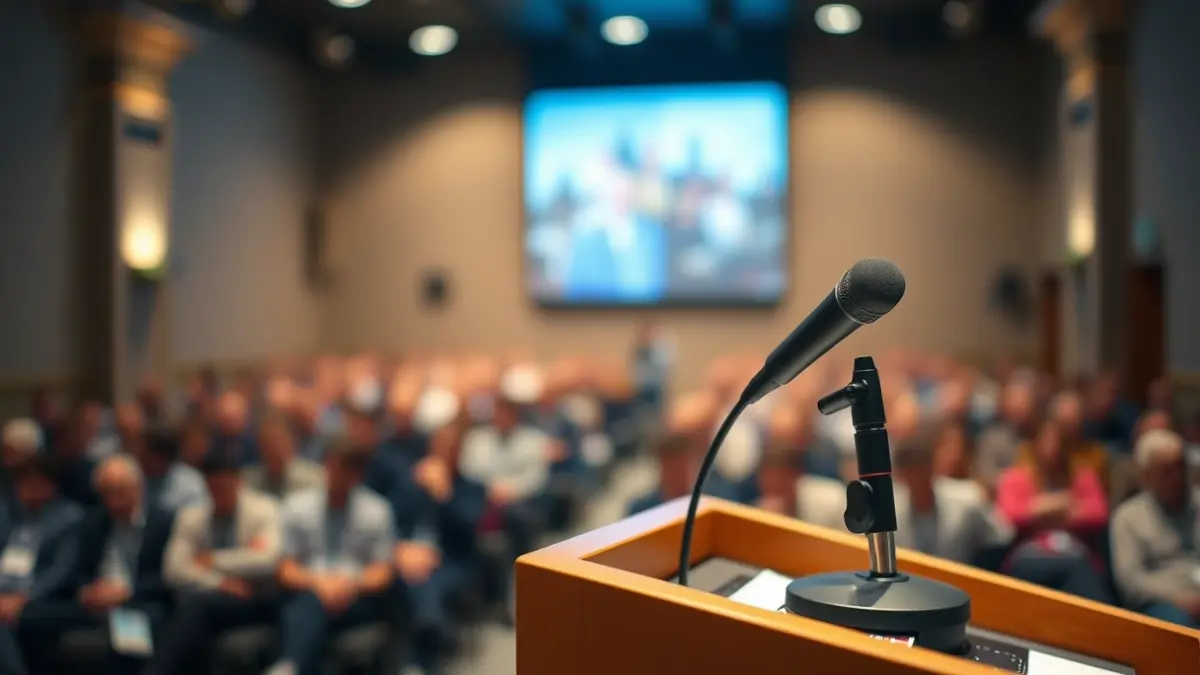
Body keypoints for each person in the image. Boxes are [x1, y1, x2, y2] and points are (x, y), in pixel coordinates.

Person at [22, 454, 176, 675]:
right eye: (107, 494)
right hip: (95, 601)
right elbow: (75, 571)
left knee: (129, 635)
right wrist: (87, 590)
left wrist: (125, 592)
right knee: (30, 617)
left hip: (137, 602)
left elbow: (166, 577)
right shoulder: (93, 523)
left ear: (138, 488)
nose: (114, 502)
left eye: (120, 492)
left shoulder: (163, 522)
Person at [266, 438, 395, 675]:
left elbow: (383, 572)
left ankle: (290, 666)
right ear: (326, 465)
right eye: (335, 467)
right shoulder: (297, 506)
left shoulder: (377, 510)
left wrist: (348, 584)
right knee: (308, 604)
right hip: (308, 591)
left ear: (359, 473)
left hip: (356, 597)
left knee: (309, 611)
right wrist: (319, 583)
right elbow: (285, 568)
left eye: (348, 470)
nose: (340, 476)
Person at [147, 453, 282, 675]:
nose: (220, 495)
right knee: (194, 612)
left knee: (196, 609)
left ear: (239, 482)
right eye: (214, 489)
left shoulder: (264, 510)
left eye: (226, 487)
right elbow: (173, 570)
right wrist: (220, 581)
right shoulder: (192, 516)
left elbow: (268, 561)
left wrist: (212, 560)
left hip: (253, 598)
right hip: (212, 596)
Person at [458, 387, 554, 619]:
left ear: (515, 415)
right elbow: (467, 472)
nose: (500, 418)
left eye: (506, 413)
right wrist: (491, 490)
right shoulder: (476, 440)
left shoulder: (533, 440)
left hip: (519, 504)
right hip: (482, 504)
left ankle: (517, 593)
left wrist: (509, 491)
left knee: (518, 519)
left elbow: (536, 479)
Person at [995, 418, 1113, 603]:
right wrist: (1050, 507)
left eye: (1059, 442)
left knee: (1079, 571)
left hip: (1076, 553)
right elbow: (1008, 516)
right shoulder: (1016, 478)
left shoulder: (1083, 477)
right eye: (1047, 442)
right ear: (1035, 444)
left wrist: (1044, 514)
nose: (1053, 449)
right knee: (1075, 571)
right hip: (1030, 557)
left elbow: (1099, 514)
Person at [0, 455, 84, 675]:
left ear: (51, 486)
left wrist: (23, 598)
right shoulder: (6, 513)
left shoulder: (69, 518)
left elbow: (60, 570)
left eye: (34, 483)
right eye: (22, 483)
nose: (26, 490)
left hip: (38, 597)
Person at [1110, 430, 1200, 627]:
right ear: (1148, 476)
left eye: (1181, 468)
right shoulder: (1127, 518)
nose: (1177, 478)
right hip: (1164, 605)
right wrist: (1180, 599)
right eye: (1167, 471)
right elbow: (1130, 581)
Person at [892, 425, 1014, 564]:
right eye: (912, 472)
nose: (918, 478)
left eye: (922, 469)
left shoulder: (968, 499)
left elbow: (1002, 535)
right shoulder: (889, 510)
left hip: (959, 580)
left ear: (932, 468)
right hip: (909, 583)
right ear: (901, 475)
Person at [563, 154, 667, 302]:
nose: (621, 195)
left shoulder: (654, 233)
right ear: (603, 193)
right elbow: (575, 297)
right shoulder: (585, 243)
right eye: (615, 189)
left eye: (626, 188)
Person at [242, 413, 325, 500]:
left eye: (278, 441)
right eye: (267, 442)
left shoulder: (313, 478)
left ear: (292, 442)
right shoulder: (249, 482)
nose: (273, 449)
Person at [135, 427, 208, 513]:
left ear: (162, 458)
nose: (140, 458)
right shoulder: (136, 477)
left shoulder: (191, 483)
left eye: (144, 455)